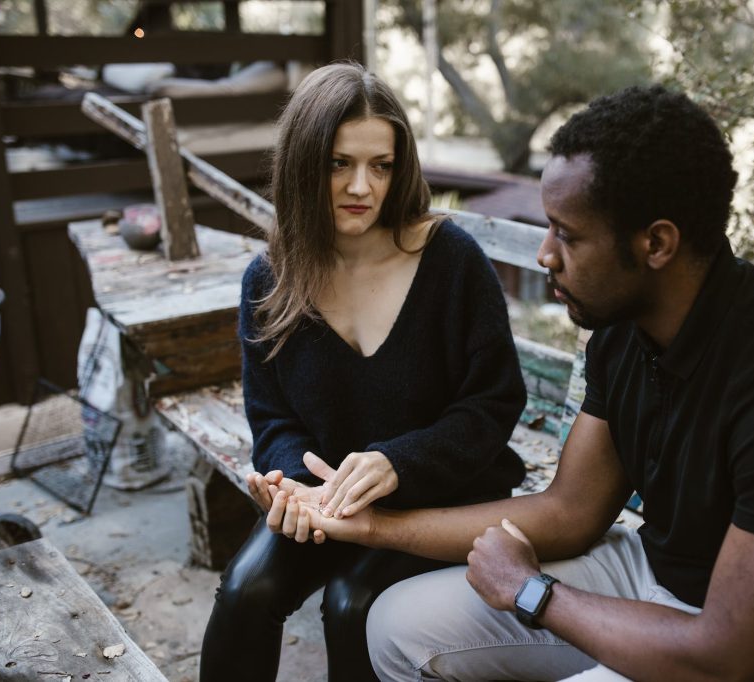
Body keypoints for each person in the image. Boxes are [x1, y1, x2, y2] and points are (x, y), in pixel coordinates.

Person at [263, 85, 754, 681]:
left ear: (656, 243)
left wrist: (532, 591)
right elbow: (570, 513)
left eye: (567, 235)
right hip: (654, 575)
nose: (545, 254)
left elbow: (728, 656)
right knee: (395, 627)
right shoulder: (625, 332)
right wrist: (373, 528)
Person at [199, 62, 528, 682]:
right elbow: (272, 418)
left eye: (381, 165)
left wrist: (397, 462)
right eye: (338, 163)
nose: (362, 186)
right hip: (328, 498)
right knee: (247, 591)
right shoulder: (270, 279)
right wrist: (296, 486)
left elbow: (493, 404)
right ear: (303, 163)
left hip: (442, 495)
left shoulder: (451, 261)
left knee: (352, 605)